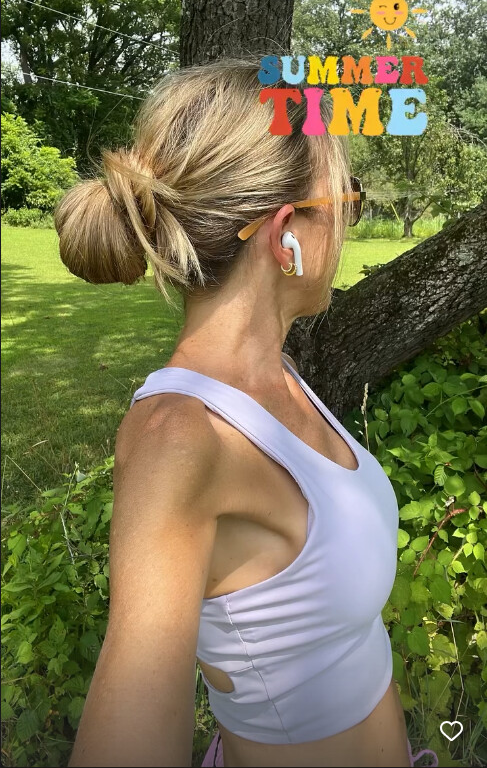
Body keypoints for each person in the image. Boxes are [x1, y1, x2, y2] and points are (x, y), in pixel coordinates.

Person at [55, 59, 438, 768]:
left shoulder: (278, 381)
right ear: (285, 234)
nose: (350, 225)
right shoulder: (180, 436)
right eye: (348, 201)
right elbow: (131, 730)